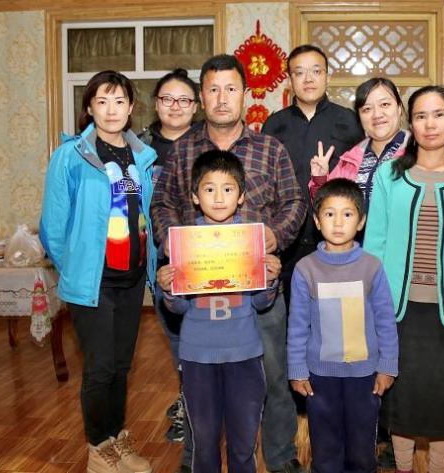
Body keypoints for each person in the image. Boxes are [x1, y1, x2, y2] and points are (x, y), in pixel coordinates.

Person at [150, 54, 307, 473]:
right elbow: (161, 203)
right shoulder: (182, 151)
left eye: (231, 89)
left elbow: (294, 201)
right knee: (196, 379)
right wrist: (175, 246)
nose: (222, 98)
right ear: (202, 97)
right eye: (213, 89)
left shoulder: (270, 149)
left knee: (272, 375)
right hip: (197, 295)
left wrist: (274, 237)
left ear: (244, 95)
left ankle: (280, 458)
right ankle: (195, 459)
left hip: (259, 288)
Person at [363, 85, 444, 473]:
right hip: (399, 311)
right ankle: (403, 467)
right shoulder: (389, 176)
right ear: (411, 123)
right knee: (401, 400)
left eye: (439, 114)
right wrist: (373, 308)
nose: (430, 124)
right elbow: (375, 245)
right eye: (421, 116)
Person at [40, 70, 156, 473]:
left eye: (119, 101)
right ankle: (98, 448)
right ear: (89, 107)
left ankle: (117, 439)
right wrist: (76, 266)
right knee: (100, 367)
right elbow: (52, 227)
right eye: (102, 101)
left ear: (131, 107)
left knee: (121, 366)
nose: (111, 110)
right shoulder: (70, 155)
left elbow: (145, 215)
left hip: (132, 278)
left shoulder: (142, 156)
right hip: (93, 281)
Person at [156, 149, 282, 473]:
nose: (218, 197)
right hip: (198, 357)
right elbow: (178, 307)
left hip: (245, 355)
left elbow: (261, 303)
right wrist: (169, 288)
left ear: (241, 196)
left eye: (228, 189)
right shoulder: (185, 244)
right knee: (204, 442)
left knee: (244, 444)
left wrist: (270, 280)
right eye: (209, 189)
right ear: (194, 196)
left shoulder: (251, 240)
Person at [287, 178, 399, 473]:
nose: (338, 222)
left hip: (364, 375)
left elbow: (386, 320)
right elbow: (297, 325)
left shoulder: (372, 267)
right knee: (325, 446)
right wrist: (297, 369)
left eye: (347, 214)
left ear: (361, 221)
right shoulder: (305, 269)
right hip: (320, 375)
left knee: (362, 447)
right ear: (316, 220)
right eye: (329, 213)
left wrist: (387, 366)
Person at [262, 44, 363, 306]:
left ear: (328, 76)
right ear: (290, 80)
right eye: (299, 72)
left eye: (316, 71)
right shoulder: (273, 125)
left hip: (337, 237)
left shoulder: (351, 122)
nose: (308, 79)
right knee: (294, 315)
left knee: (338, 314)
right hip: (288, 242)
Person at [139, 68, 200, 450]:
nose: (175, 106)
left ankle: (194, 405)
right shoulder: (138, 150)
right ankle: (186, 400)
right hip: (157, 261)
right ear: (156, 103)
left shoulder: (207, 145)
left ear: (196, 106)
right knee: (176, 336)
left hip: (204, 260)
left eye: (183, 100)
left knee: (200, 339)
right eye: (167, 99)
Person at [308, 77, 409, 206]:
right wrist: (320, 180)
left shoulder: (419, 152)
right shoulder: (350, 160)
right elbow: (328, 208)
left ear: (399, 108)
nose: (377, 114)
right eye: (367, 109)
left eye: (385, 104)